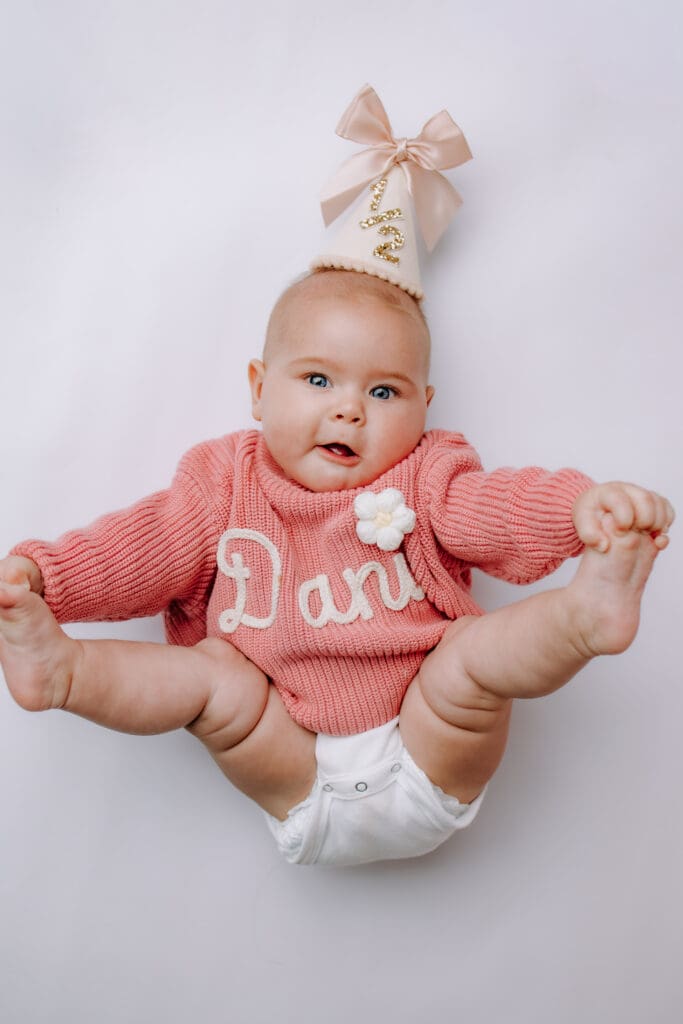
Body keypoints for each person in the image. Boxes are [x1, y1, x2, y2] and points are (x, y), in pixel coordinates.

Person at [0, 85, 675, 865]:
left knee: (469, 661)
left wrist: (576, 509)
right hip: (288, 764)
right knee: (215, 683)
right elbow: (141, 544)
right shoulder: (224, 482)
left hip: (426, 746)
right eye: (317, 380)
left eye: (381, 391)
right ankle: (66, 672)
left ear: (423, 407)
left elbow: (494, 507)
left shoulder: (426, 476)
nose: (348, 410)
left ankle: (583, 617)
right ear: (259, 388)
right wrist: (47, 577)